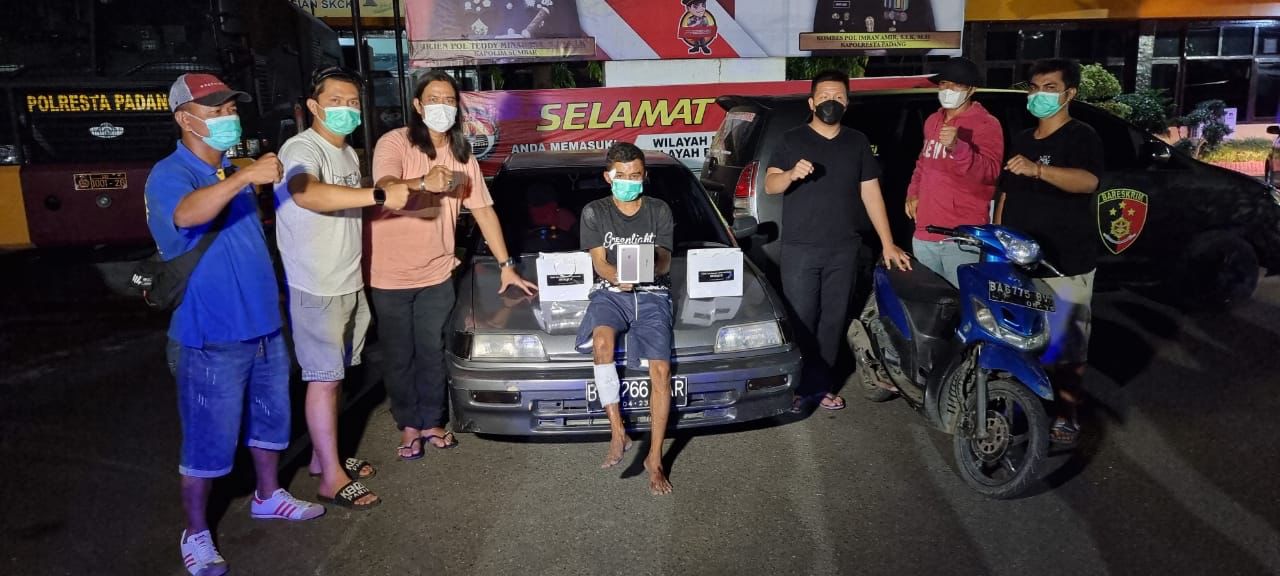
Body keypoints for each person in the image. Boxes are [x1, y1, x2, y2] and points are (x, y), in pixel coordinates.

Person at [145, 73, 322, 576]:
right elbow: (184, 216)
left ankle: (269, 495)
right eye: (216, 111)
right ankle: (196, 532)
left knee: (271, 421)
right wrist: (243, 177)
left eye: (231, 109)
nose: (229, 119)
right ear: (185, 119)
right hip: (210, 337)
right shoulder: (171, 173)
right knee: (207, 441)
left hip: (264, 328)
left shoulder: (229, 169)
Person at [370, 70, 536, 461]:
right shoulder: (394, 142)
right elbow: (387, 184)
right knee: (399, 353)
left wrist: (507, 264)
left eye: (448, 100)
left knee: (431, 349)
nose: (441, 107)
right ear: (417, 106)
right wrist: (423, 182)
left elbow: (484, 212)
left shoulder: (464, 158)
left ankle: (431, 420)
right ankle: (407, 424)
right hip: (389, 273)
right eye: (433, 99)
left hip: (437, 271)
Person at [273, 67, 413, 511]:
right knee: (324, 379)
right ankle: (331, 478)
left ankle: (322, 457)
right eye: (336, 101)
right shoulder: (301, 147)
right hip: (316, 284)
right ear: (314, 107)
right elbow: (306, 193)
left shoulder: (349, 153)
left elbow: (357, 206)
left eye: (353, 102)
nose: (347, 110)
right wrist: (377, 195)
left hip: (347, 278)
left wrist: (400, 192)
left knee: (338, 377)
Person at [764, 68, 911, 413]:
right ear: (812, 102)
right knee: (802, 320)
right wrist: (790, 174)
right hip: (800, 249)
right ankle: (796, 387)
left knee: (832, 322)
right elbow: (771, 184)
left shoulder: (856, 142)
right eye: (826, 96)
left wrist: (888, 243)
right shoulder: (792, 139)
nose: (832, 101)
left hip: (843, 249)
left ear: (847, 103)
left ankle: (820, 386)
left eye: (839, 97)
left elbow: (871, 193)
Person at [994, 58, 1104, 446]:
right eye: (1034, 87)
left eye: (1049, 87)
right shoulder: (1023, 138)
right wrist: (998, 239)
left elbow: (1088, 181)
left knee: (1065, 345)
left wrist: (1039, 171)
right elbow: (1005, 194)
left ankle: (1066, 414)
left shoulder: (1081, 136)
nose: (1039, 94)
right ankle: (1024, 405)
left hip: (1065, 263)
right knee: (1020, 338)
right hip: (1019, 263)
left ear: (1069, 93)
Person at [575, 141, 676, 495]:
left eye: (635, 175)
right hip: (610, 292)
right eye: (621, 176)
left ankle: (655, 458)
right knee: (602, 342)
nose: (629, 181)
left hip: (653, 294)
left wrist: (645, 268)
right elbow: (599, 261)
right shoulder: (594, 211)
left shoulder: (660, 210)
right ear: (608, 177)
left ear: (644, 176)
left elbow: (664, 258)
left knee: (660, 370)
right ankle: (618, 430)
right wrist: (618, 275)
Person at [906, 56, 1004, 287]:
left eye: (956, 85)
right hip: (925, 232)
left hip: (960, 237)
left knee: (963, 305)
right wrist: (913, 193)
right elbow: (923, 163)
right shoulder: (933, 120)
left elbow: (990, 173)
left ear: (972, 90)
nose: (947, 90)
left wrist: (958, 147)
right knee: (930, 305)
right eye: (943, 84)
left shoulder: (986, 124)